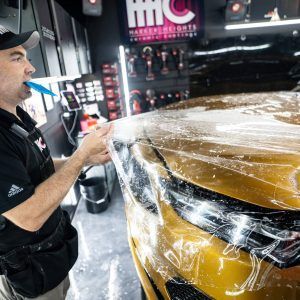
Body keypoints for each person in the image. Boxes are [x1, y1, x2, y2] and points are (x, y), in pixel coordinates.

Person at [0, 26, 112, 300]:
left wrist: (84, 159)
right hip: (28, 276)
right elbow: (28, 216)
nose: (31, 68)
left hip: (50, 260)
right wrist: (82, 155)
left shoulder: (17, 118)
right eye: (17, 58)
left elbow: (42, 167)